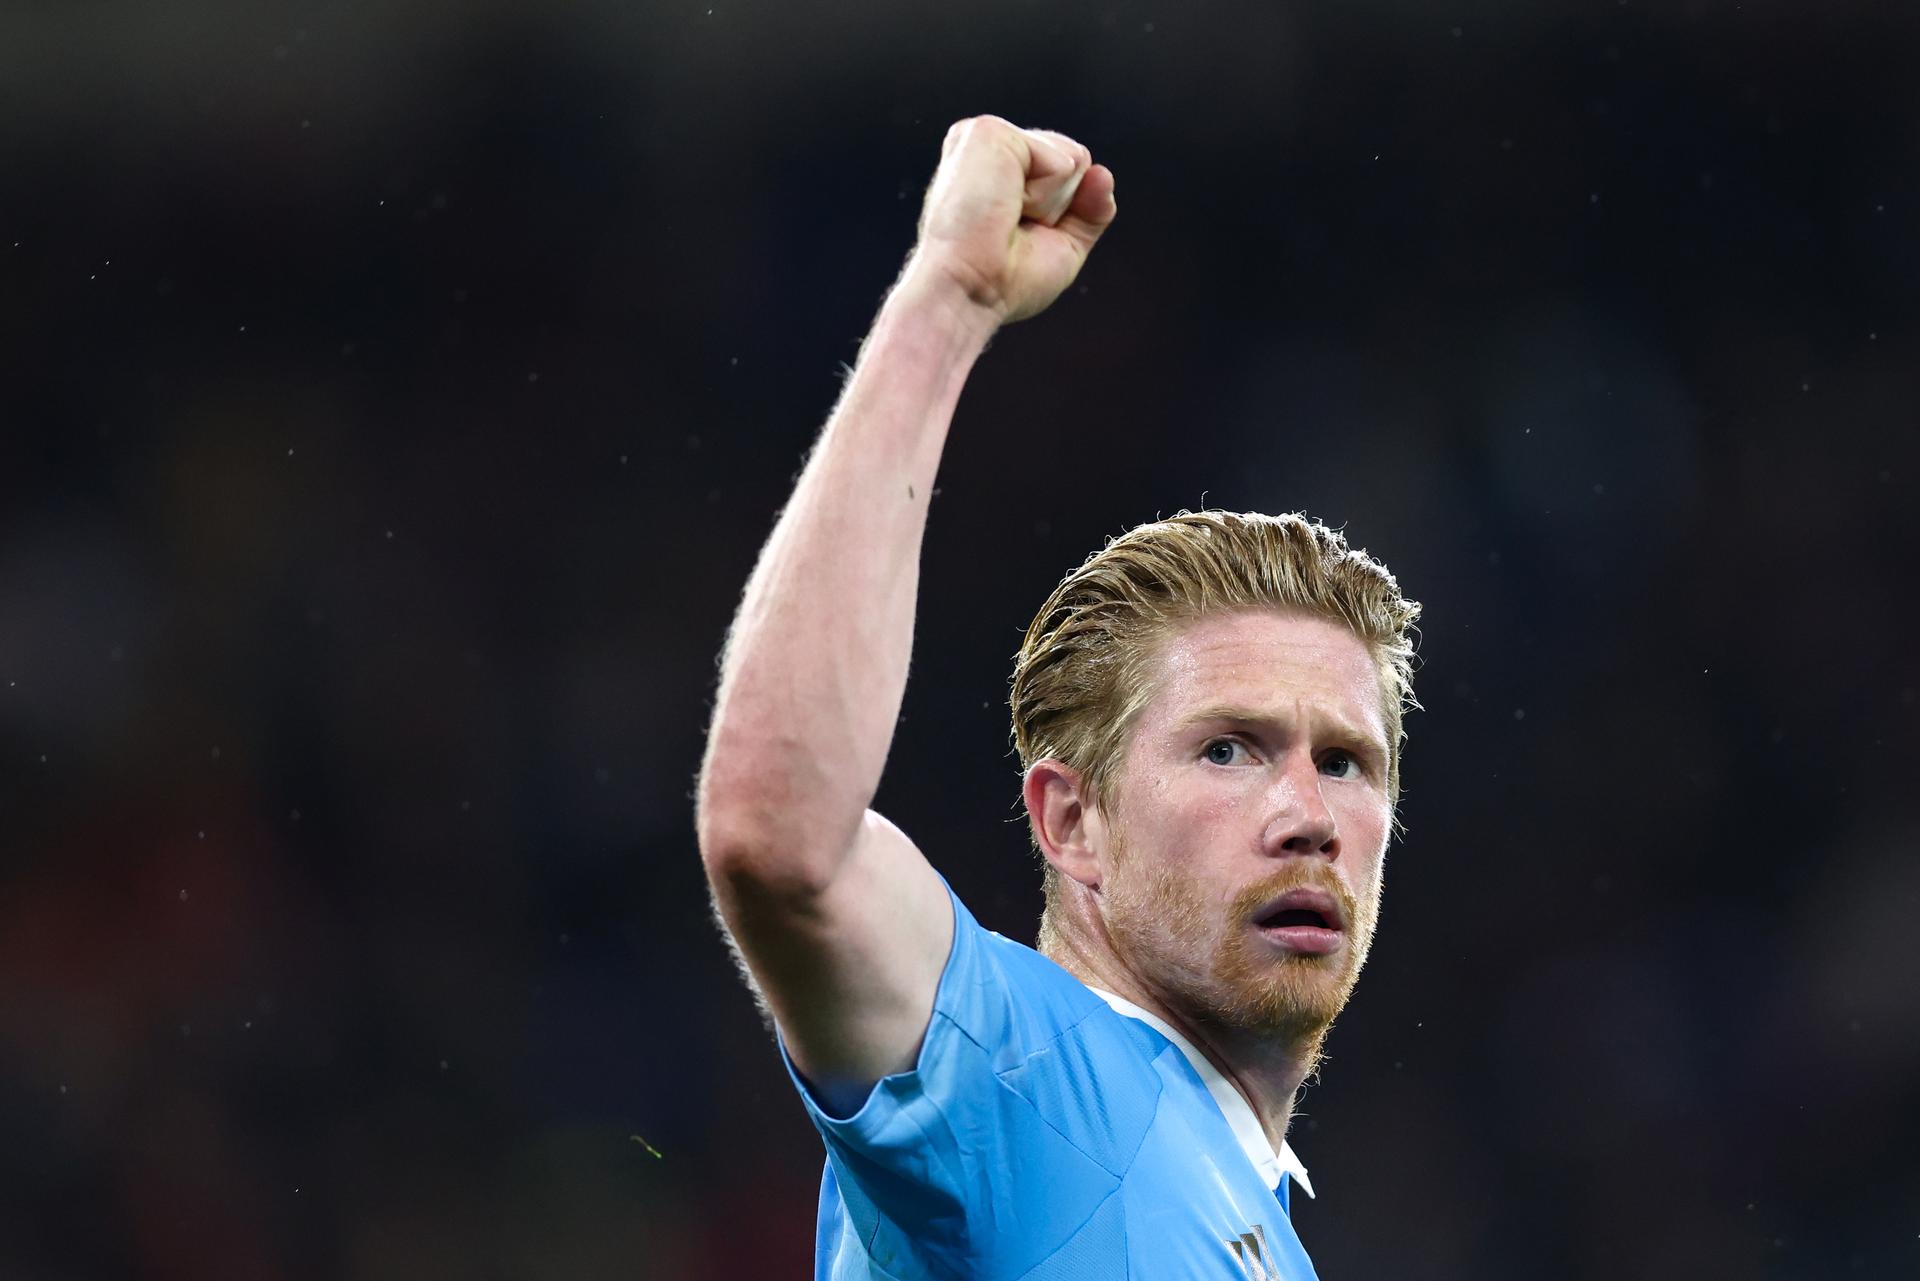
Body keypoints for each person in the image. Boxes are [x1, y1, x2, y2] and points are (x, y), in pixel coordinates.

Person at [696, 114, 1421, 1280]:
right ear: (1071, 823)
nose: (1308, 814)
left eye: (1346, 761)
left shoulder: (1250, 1218)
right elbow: (782, 843)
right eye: (1231, 750)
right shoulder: (1027, 1086)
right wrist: (948, 301)